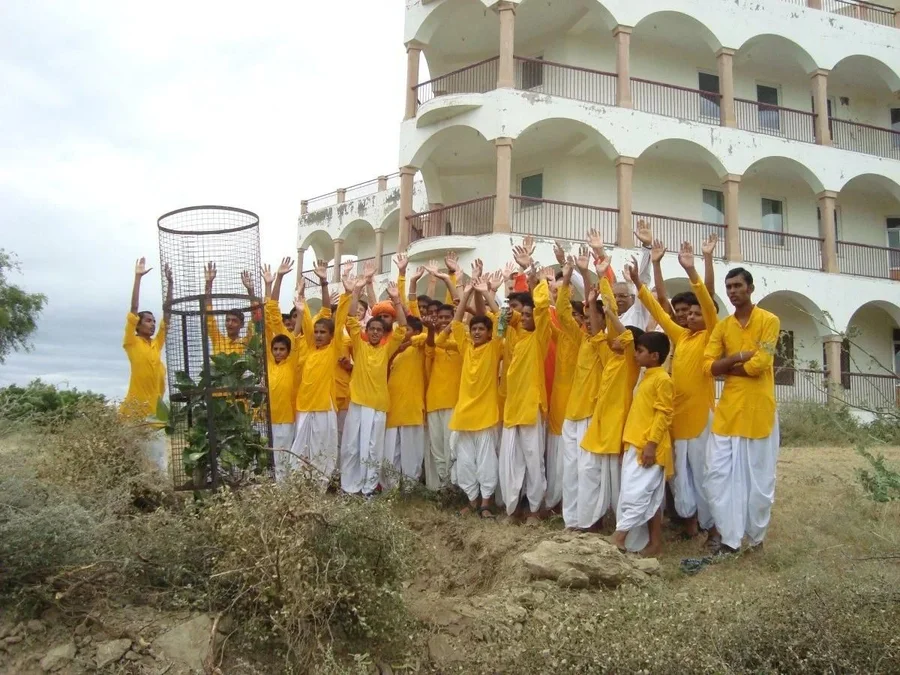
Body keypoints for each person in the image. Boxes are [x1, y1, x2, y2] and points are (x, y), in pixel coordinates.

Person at [628, 241, 719, 538]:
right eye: (687, 314)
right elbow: (661, 310)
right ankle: (690, 525)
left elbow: (706, 300)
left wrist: (695, 266)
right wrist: (641, 282)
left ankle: (711, 525)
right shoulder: (681, 337)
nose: (689, 317)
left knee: (705, 472)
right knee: (680, 476)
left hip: (701, 417)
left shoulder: (711, 336)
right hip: (675, 417)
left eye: (695, 314)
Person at [703, 267, 780, 554]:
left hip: (759, 410)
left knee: (759, 481)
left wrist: (728, 368)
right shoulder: (723, 327)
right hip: (729, 411)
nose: (733, 291)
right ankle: (728, 538)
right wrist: (737, 358)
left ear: (750, 288)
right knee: (718, 476)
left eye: (737, 286)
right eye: (729, 287)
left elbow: (762, 363)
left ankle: (755, 539)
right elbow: (707, 366)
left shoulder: (769, 321)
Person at [579, 267, 643, 530]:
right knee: (589, 473)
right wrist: (595, 306)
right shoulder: (609, 356)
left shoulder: (630, 360)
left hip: (618, 425)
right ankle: (590, 521)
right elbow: (597, 333)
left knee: (618, 481)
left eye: (617, 337)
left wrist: (608, 308)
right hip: (600, 425)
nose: (612, 338)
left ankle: (621, 525)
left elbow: (625, 335)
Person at [340, 279, 407, 496]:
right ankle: (349, 487)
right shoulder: (360, 346)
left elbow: (403, 328)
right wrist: (357, 289)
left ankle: (368, 489)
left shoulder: (386, 350)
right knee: (351, 446)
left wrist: (397, 300)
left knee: (372, 449)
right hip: (358, 404)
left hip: (378, 405)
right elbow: (350, 318)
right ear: (366, 331)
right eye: (372, 329)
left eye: (380, 329)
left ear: (383, 332)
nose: (376, 332)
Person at [444, 279, 504, 517]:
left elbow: (501, 320)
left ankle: (486, 503)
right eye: (474, 329)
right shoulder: (466, 347)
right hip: (464, 415)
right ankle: (471, 501)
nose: (477, 332)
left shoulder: (494, 347)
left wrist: (486, 294)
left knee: (487, 461)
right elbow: (456, 323)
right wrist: (467, 293)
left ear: (489, 333)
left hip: (486, 415)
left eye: (481, 329)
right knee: (466, 462)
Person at [560, 254, 609, 530]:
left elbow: (599, 313)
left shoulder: (606, 343)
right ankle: (573, 521)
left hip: (592, 415)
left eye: (593, 317)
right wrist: (568, 276)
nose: (588, 322)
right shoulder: (582, 339)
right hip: (572, 415)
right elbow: (564, 313)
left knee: (589, 471)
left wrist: (592, 277)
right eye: (587, 318)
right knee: (571, 471)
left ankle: (592, 521)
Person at [613, 331, 674, 556]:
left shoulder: (663, 380)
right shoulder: (647, 376)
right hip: (635, 444)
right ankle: (654, 544)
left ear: (655, 356)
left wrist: (651, 444)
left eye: (640, 351)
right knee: (647, 496)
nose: (636, 355)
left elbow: (664, 415)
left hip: (648, 447)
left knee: (636, 494)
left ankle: (619, 537)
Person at [288, 274, 351, 489]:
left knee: (323, 448)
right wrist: (301, 304)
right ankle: (298, 484)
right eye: (316, 332)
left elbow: (340, 319)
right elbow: (305, 324)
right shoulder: (311, 348)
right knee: (300, 447)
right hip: (304, 406)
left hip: (324, 406)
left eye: (323, 332)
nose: (318, 335)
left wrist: (348, 294)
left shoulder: (332, 350)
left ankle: (321, 485)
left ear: (332, 335)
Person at [499, 274, 551, 523]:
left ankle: (534, 510)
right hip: (512, 409)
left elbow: (541, 308)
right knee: (511, 463)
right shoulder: (514, 337)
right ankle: (513, 510)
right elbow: (507, 316)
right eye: (524, 315)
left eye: (531, 316)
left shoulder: (539, 338)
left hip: (531, 408)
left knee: (533, 462)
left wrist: (539, 280)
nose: (526, 318)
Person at [122, 257, 172, 474]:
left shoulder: (156, 344)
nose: (152, 324)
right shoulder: (131, 342)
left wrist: (170, 285)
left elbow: (167, 317)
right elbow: (133, 309)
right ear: (138, 325)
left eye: (153, 321)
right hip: (135, 411)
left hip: (155, 411)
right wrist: (138, 278)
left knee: (158, 459)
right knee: (136, 458)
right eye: (148, 320)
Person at [383, 316, 428, 490]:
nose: (403, 334)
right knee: (391, 452)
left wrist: (407, 344)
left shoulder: (419, 348)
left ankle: (409, 489)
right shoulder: (397, 355)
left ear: (416, 332)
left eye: (407, 330)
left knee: (411, 453)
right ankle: (392, 489)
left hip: (411, 408)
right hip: (393, 409)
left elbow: (425, 337)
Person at [203, 262, 257, 355]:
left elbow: (256, 320)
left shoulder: (245, 343)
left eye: (234, 321)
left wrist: (251, 292)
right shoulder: (218, 339)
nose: (230, 323)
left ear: (242, 324)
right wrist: (208, 283)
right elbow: (209, 317)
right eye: (227, 320)